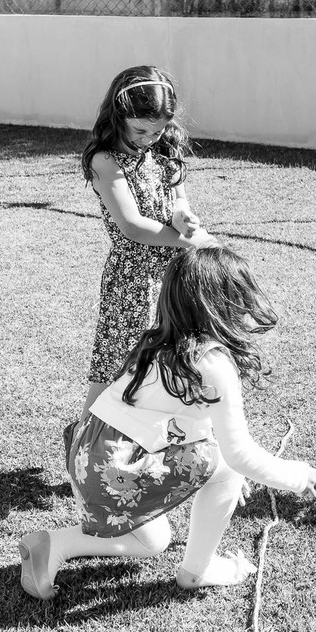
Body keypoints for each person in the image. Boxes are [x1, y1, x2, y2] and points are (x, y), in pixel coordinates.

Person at [19, 247, 316, 600]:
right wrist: (297, 476)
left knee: (154, 541)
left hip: (88, 456)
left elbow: (187, 422)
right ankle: (198, 571)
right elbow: (238, 453)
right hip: (112, 470)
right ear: (225, 305)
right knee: (227, 466)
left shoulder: (158, 344)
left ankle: (52, 546)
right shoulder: (212, 364)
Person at [75, 65, 220, 443]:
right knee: (117, 359)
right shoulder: (105, 161)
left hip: (172, 271)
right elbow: (133, 226)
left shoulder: (163, 149)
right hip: (135, 278)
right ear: (118, 116)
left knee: (167, 355)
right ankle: (83, 440)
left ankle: (145, 438)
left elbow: (178, 200)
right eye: (140, 130)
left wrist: (184, 217)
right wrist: (193, 241)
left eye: (156, 131)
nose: (148, 139)